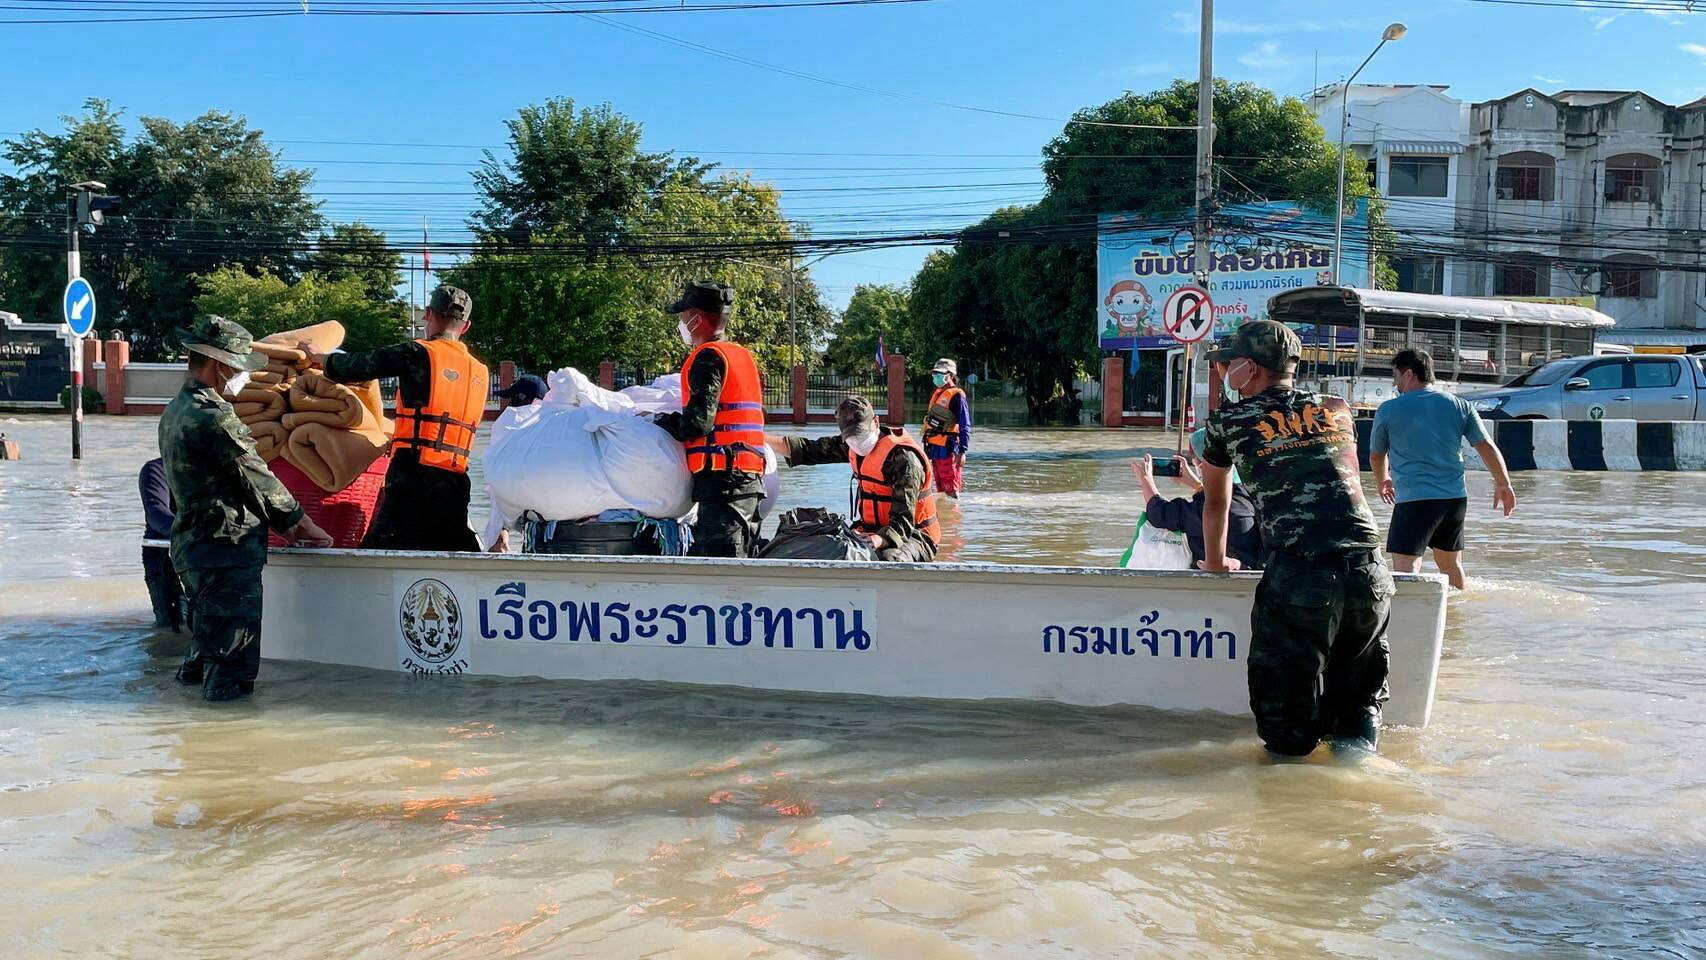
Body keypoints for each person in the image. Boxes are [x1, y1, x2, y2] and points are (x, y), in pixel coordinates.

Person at [1197, 319, 1392, 758]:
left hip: (1302, 574)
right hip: (1370, 572)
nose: (1223, 371)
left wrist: (1215, 562)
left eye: (1228, 363)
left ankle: (1287, 792)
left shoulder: (1228, 421)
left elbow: (1216, 503)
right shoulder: (1338, 408)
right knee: (1357, 704)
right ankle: (1355, 779)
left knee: (1285, 715)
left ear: (1250, 367)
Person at [159, 316, 332, 701]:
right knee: (231, 669)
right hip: (225, 552)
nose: (240, 376)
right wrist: (300, 522)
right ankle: (224, 734)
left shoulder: (174, 411)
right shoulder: (213, 415)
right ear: (217, 364)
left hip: (193, 549)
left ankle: (181, 729)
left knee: (203, 654)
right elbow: (254, 474)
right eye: (236, 367)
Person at [304, 285, 490, 552]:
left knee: (382, 550)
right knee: (453, 549)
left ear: (428, 314)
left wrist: (322, 359)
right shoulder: (480, 371)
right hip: (455, 481)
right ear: (466, 326)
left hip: (412, 477)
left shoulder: (416, 353)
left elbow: (360, 365)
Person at [1369, 349, 1517, 589]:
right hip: (1453, 500)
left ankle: (1415, 613)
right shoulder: (1460, 405)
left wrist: (1383, 479)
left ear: (1409, 374)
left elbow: (1377, 455)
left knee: (1406, 571)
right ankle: (1459, 610)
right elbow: (1486, 446)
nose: (1395, 383)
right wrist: (1504, 484)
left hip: (1414, 502)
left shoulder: (1389, 409)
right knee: (1451, 566)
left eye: (1395, 376)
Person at [651, 280, 768, 558]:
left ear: (696, 319)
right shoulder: (741, 356)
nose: (681, 324)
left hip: (724, 483)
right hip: (746, 479)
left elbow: (698, 423)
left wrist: (661, 422)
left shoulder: (708, 358)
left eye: (683, 317)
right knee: (739, 563)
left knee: (719, 569)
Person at [768, 396, 939, 562]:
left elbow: (904, 520)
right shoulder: (852, 446)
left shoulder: (904, 460)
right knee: (826, 544)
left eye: (862, 435)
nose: (858, 443)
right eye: (852, 438)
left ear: (876, 422)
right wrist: (760, 439)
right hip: (870, 529)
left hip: (914, 535)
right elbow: (808, 450)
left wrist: (879, 539)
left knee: (888, 558)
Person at [1131, 428, 1264, 570]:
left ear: (1202, 466)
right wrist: (1197, 485)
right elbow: (1221, 492)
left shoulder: (1204, 509)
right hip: (1254, 571)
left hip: (1220, 579)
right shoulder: (1251, 495)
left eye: (1195, 463)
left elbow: (1157, 512)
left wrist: (1146, 481)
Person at [139, 457, 184, 632]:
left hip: (201, 551)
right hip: (162, 553)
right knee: (173, 629)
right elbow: (156, 515)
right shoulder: (156, 470)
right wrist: (192, 530)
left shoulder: (212, 468)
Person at [921, 358, 971, 498]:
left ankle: (955, 511)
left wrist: (962, 451)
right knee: (940, 490)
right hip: (934, 447)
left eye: (940, 374)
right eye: (934, 374)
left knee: (951, 489)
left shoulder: (957, 396)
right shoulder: (938, 394)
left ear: (950, 375)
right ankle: (944, 512)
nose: (936, 377)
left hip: (949, 448)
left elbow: (965, 425)